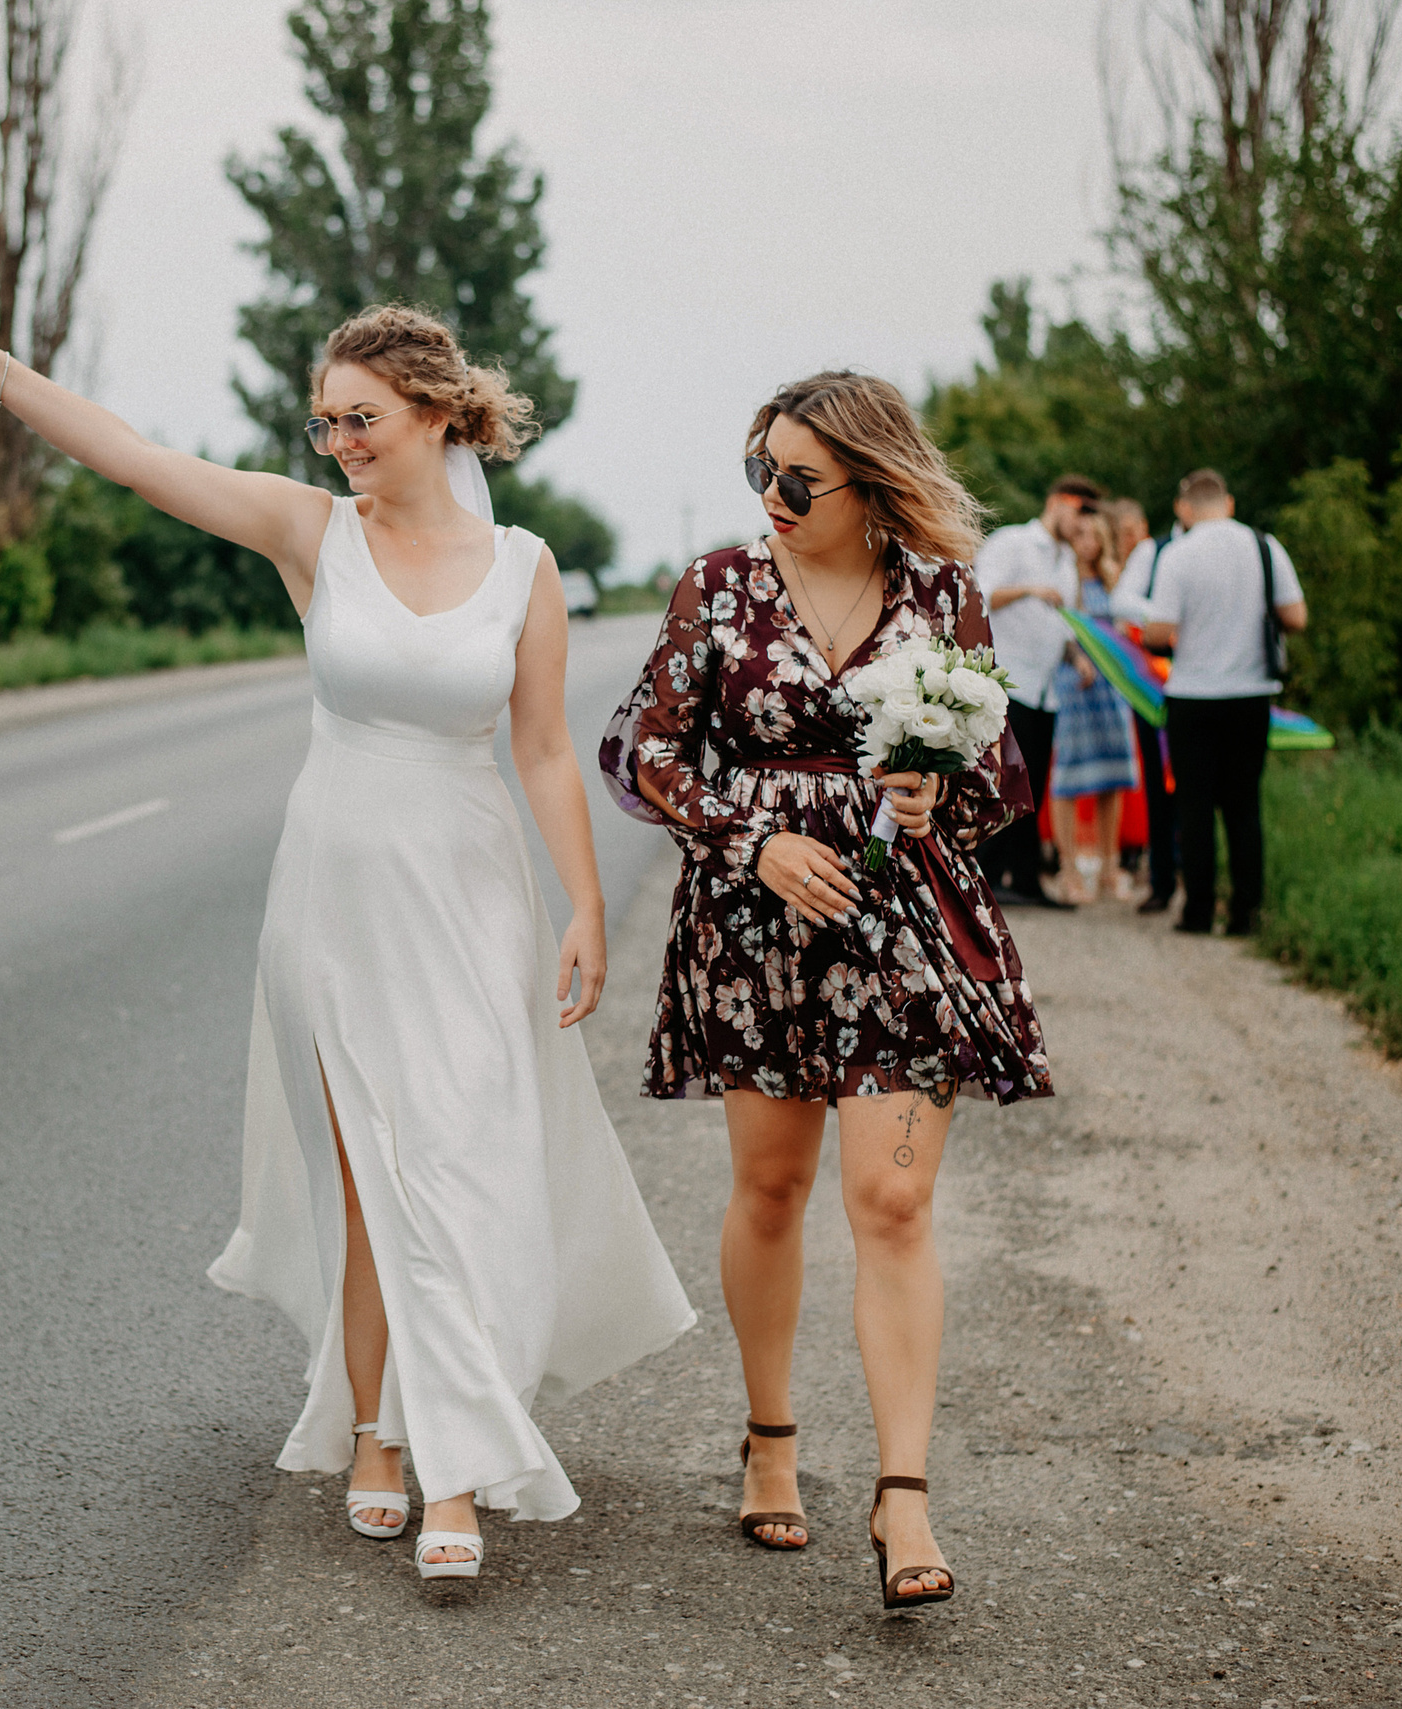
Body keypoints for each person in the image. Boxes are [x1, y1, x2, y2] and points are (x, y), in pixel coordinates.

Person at [0, 307, 696, 1582]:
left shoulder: (523, 565)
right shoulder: (311, 532)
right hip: (331, 890)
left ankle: (459, 1453)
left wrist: (585, 904)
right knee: (371, 1177)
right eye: (322, 421)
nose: (336, 443)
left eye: (358, 419)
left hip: (471, 894)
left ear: (435, 413)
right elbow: (136, 459)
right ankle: (385, 1433)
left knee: (460, 1162)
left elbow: (540, 745)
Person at [602, 372, 1053, 1610]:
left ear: (871, 482)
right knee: (772, 1184)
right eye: (761, 466)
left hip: (904, 922)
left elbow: (998, 772)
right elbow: (640, 750)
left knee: (892, 1198)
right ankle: (771, 1435)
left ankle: (902, 1492)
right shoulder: (719, 586)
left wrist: (934, 796)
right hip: (758, 923)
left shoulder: (943, 595)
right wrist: (751, 833)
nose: (773, 495)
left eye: (799, 477)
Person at [1143, 469, 1309, 938]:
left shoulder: (1178, 553)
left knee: (1194, 805)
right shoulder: (1265, 546)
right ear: (1229, 503)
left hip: (1193, 695)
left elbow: (1157, 631)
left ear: (1187, 509)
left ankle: (1197, 912)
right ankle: (1245, 914)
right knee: (1243, 804)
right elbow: (1296, 615)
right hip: (1252, 693)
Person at [973, 475, 1100, 909]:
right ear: (1058, 502)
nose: (1083, 524)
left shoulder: (1066, 561)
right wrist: (1028, 589)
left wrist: (1075, 656)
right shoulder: (1013, 543)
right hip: (1010, 683)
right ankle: (983, 878)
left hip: (1047, 691)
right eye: (1080, 512)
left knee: (1034, 787)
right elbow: (981, 593)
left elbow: (1060, 623)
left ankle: (1027, 880)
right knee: (1005, 784)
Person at [1048, 508, 1140, 901]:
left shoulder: (1113, 576)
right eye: (1080, 534)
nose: (1087, 542)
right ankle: (1069, 870)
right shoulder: (1063, 576)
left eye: (1093, 535)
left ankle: (1109, 867)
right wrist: (1075, 657)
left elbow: (1124, 626)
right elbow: (1055, 627)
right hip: (1074, 682)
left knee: (1113, 777)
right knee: (1068, 777)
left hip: (1110, 687)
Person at [1106, 495, 1183, 912]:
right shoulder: (1156, 552)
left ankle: (1192, 868)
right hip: (1153, 682)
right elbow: (1122, 601)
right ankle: (1161, 880)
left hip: (1204, 682)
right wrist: (1168, 618)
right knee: (1157, 778)